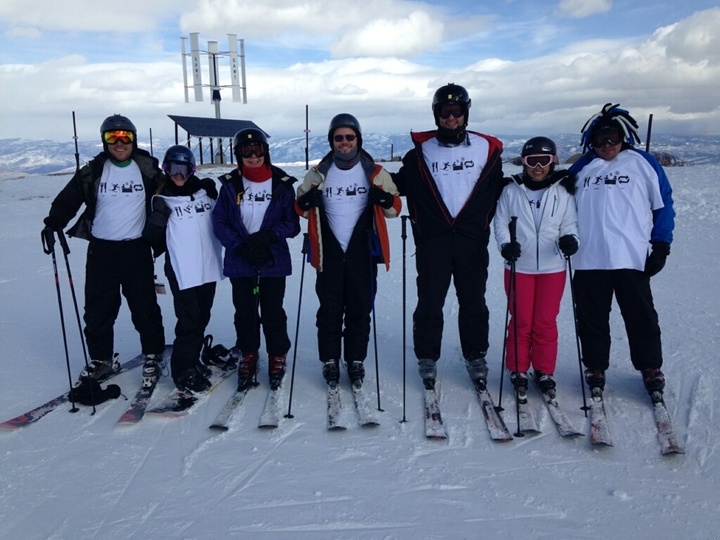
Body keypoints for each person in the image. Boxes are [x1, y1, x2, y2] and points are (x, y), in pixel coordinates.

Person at [392, 83, 505, 390]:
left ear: (465, 113)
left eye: (456, 112)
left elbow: (503, 187)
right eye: (445, 112)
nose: (450, 117)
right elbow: (395, 184)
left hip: (471, 241)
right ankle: (427, 356)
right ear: (436, 114)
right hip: (433, 242)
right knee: (429, 300)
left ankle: (475, 355)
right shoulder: (420, 154)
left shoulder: (486, 149)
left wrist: (554, 182)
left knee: (473, 301)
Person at [42, 114, 165, 393]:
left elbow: (174, 190)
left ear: (133, 140)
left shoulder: (148, 170)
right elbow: (68, 200)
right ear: (104, 141)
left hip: (136, 249)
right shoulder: (93, 171)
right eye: (112, 138)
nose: (119, 143)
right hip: (102, 251)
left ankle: (153, 354)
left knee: (144, 307)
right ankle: (101, 359)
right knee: (98, 310)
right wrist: (53, 222)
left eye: (125, 137)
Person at [568, 103, 675, 401]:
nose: (607, 146)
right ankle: (595, 366)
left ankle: (650, 366)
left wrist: (661, 244)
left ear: (623, 137)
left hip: (631, 257)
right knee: (592, 318)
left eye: (613, 138)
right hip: (589, 258)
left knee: (641, 316)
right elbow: (559, 200)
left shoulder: (642, 163)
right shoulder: (583, 167)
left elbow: (663, 205)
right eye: (600, 140)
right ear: (591, 140)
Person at [295, 113, 401, 388]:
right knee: (329, 310)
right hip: (327, 251)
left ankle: (355, 360)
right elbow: (299, 206)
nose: (344, 142)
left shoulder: (375, 172)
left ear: (358, 139)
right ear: (331, 141)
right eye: (338, 137)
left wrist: (385, 198)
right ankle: (330, 360)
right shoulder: (319, 172)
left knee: (360, 308)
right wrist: (308, 199)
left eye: (349, 137)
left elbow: (395, 209)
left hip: (362, 251)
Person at [212, 128, 300, 391]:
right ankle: (248, 353)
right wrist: (239, 245)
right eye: (246, 152)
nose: (253, 156)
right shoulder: (230, 185)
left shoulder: (282, 184)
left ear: (265, 152)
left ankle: (277, 355)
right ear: (238, 155)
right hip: (241, 261)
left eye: (257, 151)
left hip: (272, 261)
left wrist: (269, 236)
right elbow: (220, 221)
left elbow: (292, 223)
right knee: (245, 312)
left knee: (273, 312)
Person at [494, 137, 578, 399]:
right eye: (532, 161)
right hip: (520, 266)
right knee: (521, 321)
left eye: (544, 161)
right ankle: (518, 369)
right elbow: (500, 223)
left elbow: (570, 224)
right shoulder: (511, 191)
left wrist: (570, 241)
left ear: (553, 162)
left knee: (544, 321)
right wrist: (505, 246)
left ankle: (544, 370)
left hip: (553, 268)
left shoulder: (562, 192)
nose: (538, 167)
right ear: (524, 162)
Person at [143, 145, 224, 393]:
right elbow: (153, 241)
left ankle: (193, 358)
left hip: (207, 266)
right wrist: (156, 222)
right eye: (172, 168)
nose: (178, 174)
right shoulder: (162, 199)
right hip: (182, 269)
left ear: (192, 170)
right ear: (165, 170)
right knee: (189, 319)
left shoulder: (205, 193)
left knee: (202, 316)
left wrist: (214, 193)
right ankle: (182, 369)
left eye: (183, 168)